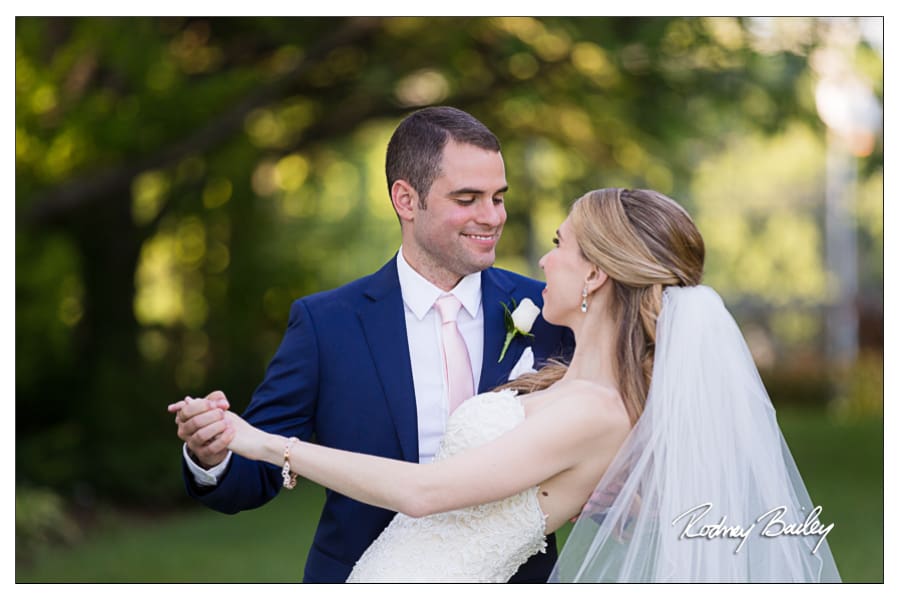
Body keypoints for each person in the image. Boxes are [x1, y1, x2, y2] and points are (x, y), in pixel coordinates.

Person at [172, 187, 841, 582]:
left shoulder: (598, 410)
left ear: (597, 275)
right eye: (469, 198)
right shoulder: (562, 380)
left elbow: (425, 492)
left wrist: (263, 442)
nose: (543, 257)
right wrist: (224, 449)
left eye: (560, 244)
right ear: (407, 199)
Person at [170, 106, 574, 583]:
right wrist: (212, 453)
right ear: (406, 199)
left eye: (498, 197)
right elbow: (253, 474)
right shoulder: (326, 325)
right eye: (467, 198)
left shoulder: (550, 311)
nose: (492, 217)